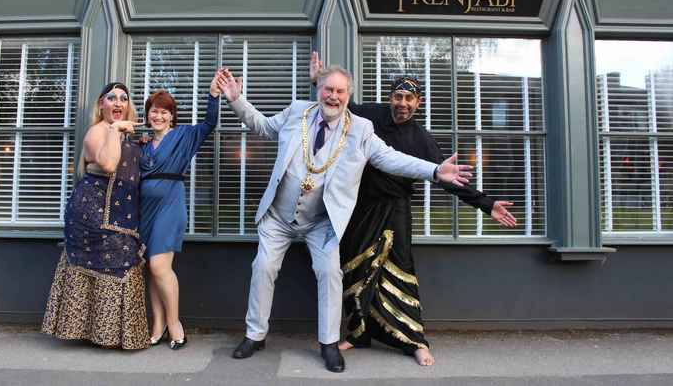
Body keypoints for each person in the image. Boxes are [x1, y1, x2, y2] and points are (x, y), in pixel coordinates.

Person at [216, 66, 473, 373]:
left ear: (348, 95)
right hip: (278, 216)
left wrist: (433, 171)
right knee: (263, 267)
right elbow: (262, 126)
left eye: (340, 91)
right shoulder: (296, 112)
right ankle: (254, 335)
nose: (333, 96)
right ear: (318, 89)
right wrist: (236, 100)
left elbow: (391, 157)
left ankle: (328, 343)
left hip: (322, 220)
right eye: (328, 89)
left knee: (330, 273)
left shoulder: (362, 129)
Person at [310, 53, 518, 366]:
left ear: (418, 103)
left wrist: (486, 204)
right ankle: (358, 334)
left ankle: (415, 342)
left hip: (395, 214)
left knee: (400, 273)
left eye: (409, 98)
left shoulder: (422, 139)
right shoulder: (370, 117)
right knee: (356, 272)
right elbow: (337, 103)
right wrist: (318, 81)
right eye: (397, 96)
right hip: (359, 211)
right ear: (389, 97)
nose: (402, 103)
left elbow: (449, 178)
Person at [42, 82, 149, 350]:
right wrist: (114, 129)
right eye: (111, 98)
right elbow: (110, 163)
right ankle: (91, 332)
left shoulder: (125, 134)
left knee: (123, 260)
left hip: (120, 213)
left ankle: (113, 335)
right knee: (103, 261)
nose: (118, 102)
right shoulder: (96, 132)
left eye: (123, 99)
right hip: (91, 214)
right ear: (101, 104)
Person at [139, 72, 222, 350]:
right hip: (144, 210)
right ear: (148, 115)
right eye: (154, 111)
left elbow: (210, 124)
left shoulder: (184, 136)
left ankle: (176, 326)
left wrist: (212, 95)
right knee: (152, 270)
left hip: (170, 206)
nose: (158, 116)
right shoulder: (142, 145)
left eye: (164, 112)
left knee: (159, 265)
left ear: (171, 116)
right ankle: (157, 325)